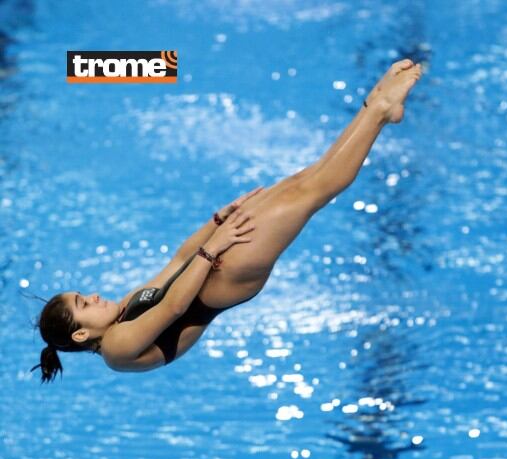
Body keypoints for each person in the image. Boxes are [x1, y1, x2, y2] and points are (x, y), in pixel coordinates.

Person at [32, 59, 423, 381]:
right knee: (310, 194)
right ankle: (378, 111)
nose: (94, 295)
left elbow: (176, 264)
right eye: (84, 302)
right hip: (226, 278)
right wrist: (213, 248)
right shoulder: (116, 349)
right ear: (81, 333)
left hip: (211, 261)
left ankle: (377, 110)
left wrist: (217, 220)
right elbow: (172, 309)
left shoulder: (123, 309)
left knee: (300, 181)